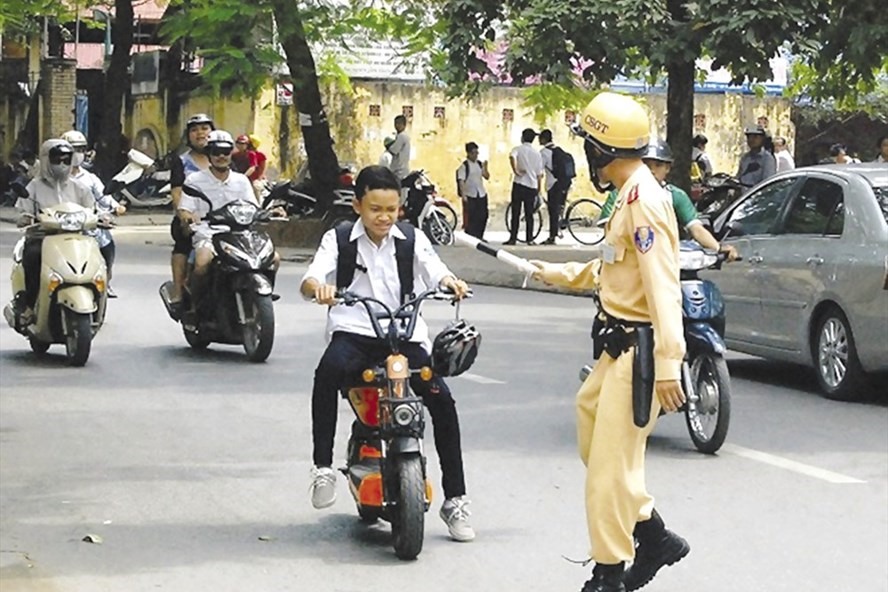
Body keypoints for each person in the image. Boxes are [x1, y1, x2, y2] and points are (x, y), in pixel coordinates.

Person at [530, 92, 689, 592]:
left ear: (601, 151)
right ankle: (652, 532)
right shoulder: (627, 195)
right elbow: (614, 269)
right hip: (615, 347)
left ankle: (609, 572)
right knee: (592, 431)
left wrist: (669, 363)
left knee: (606, 471)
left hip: (638, 351)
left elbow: (664, 286)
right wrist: (557, 273)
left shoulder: (646, 202)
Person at [300, 165, 476, 543]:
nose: (383, 217)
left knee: (442, 401)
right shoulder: (341, 238)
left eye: (391, 209)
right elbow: (311, 277)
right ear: (358, 205)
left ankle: (456, 499)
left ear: (400, 208)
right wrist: (318, 288)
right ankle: (323, 467)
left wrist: (450, 283)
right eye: (375, 208)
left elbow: (436, 270)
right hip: (356, 332)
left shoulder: (412, 239)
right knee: (327, 372)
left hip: (405, 334)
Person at [177, 130, 277, 313]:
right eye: (216, 152)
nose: (221, 156)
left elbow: (253, 207)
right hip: (208, 232)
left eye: (225, 151)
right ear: (209, 154)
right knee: (202, 263)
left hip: (241, 233)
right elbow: (184, 208)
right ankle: (194, 306)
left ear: (232, 153)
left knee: (273, 259)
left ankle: (263, 295)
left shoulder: (242, 181)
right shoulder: (194, 180)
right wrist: (187, 216)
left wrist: (270, 212)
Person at [599, 141, 738, 261]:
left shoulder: (675, 196)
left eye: (658, 165)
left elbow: (695, 228)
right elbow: (609, 233)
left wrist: (718, 248)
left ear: (668, 168)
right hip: (628, 262)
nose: (652, 170)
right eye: (646, 164)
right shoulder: (620, 193)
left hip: (664, 260)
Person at [14, 139, 95, 320]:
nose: (61, 164)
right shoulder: (34, 187)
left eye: (66, 160)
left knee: (99, 254)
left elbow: (93, 208)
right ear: (46, 160)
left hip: (76, 239)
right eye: (56, 159)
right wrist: (26, 218)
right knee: (33, 256)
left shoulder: (79, 187)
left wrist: (103, 215)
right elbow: (23, 210)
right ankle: (29, 304)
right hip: (42, 238)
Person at [62, 130, 127, 298]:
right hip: (60, 227)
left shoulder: (90, 178)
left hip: (88, 227)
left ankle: (106, 279)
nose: (78, 154)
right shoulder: (54, 177)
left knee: (107, 243)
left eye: (81, 149)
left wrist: (116, 206)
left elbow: (104, 197)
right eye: (73, 149)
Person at [166, 113, 214, 312]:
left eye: (204, 128)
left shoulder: (223, 157)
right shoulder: (182, 161)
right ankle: (179, 291)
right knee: (183, 244)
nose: (200, 133)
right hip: (194, 218)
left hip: (222, 218)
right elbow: (177, 191)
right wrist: (184, 216)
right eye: (194, 130)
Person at [506, 128, 544, 245]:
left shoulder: (518, 149)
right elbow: (539, 174)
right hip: (531, 186)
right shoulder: (537, 154)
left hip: (519, 184)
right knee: (529, 214)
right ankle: (530, 238)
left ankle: (513, 238)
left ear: (522, 137)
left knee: (515, 212)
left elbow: (512, 156)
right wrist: (539, 189)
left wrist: (516, 170)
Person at [539, 129, 572, 244]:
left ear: (543, 139)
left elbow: (540, 170)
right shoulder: (558, 150)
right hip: (564, 182)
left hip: (553, 184)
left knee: (552, 210)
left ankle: (552, 237)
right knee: (557, 209)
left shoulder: (544, 152)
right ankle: (557, 229)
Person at [456, 141, 490, 240]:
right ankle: (472, 236)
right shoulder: (464, 166)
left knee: (483, 215)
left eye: (477, 153)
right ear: (469, 153)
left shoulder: (479, 164)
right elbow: (461, 181)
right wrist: (463, 195)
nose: (476, 155)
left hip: (481, 193)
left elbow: (486, 176)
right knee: (472, 217)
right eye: (474, 153)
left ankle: (480, 235)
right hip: (470, 194)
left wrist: (485, 168)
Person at [387, 115, 411, 182]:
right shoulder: (401, 135)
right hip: (400, 169)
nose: (397, 126)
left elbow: (394, 150)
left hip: (399, 170)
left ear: (404, 125)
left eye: (399, 124)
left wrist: (388, 146)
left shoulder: (402, 136)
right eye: (395, 123)